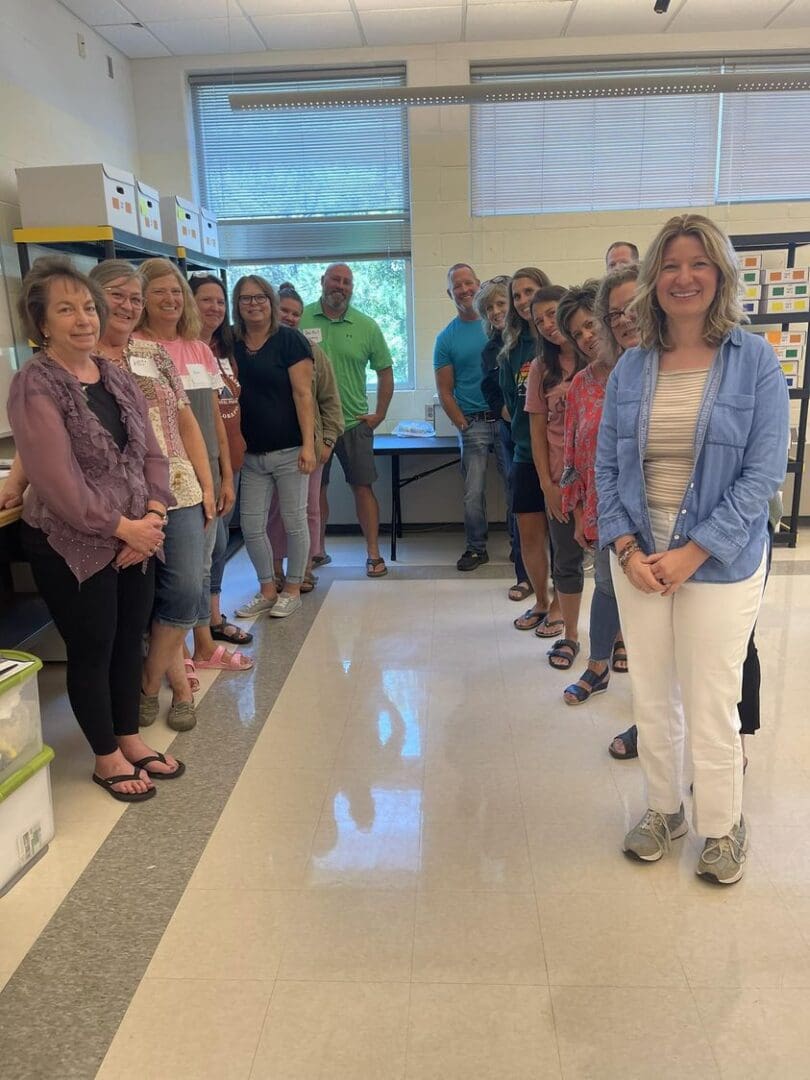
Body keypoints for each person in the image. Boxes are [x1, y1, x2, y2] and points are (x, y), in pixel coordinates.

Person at [596, 213, 789, 884]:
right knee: (650, 694)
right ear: (654, 280)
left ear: (720, 275)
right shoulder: (631, 369)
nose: (683, 277)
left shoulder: (755, 360)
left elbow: (763, 474)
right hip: (638, 558)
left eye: (698, 263)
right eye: (671, 265)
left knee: (711, 698)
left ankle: (723, 824)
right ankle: (662, 810)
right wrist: (626, 546)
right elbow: (607, 468)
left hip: (722, 563)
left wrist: (693, 553)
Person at [7, 257, 182, 801]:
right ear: (42, 324)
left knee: (130, 638)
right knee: (94, 647)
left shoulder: (116, 376)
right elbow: (57, 483)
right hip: (73, 544)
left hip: (135, 537)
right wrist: (124, 529)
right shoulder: (35, 384)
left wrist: (152, 518)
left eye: (87, 307)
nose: (83, 318)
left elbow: (152, 455)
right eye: (66, 309)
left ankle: (128, 737)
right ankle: (105, 757)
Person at [134, 260, 242, 726]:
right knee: (179, 579)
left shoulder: (199, 348)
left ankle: (180, 660)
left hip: (199, 473)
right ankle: (176, 671)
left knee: (201, 567)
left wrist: (224, 473)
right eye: (158, 292)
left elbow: (211, 418)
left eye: (176, 292)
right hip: (156, 482)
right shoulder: (135, 349)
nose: (170, 300)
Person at [558, 267, 638, 705]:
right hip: (607, 510)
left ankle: (649, 694)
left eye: (591, 323)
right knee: (606, 586)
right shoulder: (581, 386)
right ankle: (597, 665)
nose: (587, 336)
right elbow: (574, 459)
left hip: (657, 506)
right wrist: (576, 512)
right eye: (578, 332)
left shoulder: (648, 368)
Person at [299, 263, 393, 577]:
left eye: (347, 282)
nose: (341, 286)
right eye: (335, 280)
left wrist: (379, 413)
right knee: (314, 492)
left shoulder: (367, 325)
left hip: (354, 423)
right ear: (322, 281)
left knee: (362, 487)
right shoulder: (301, 318)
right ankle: (316, 551)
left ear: (352, 288)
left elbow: (385, 370)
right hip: (312, 426)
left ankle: (373, 554)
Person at [231, 275, 316, 618]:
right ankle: (267, 588)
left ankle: (293, 588)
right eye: (245, 299)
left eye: (260, 298)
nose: (253, 304)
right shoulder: (231, 343)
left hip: (289, 451)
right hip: (251, 454)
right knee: (252, 526)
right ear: (237, 305)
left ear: (271, 302)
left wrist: (308, 445)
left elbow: (303, 395)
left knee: (295, 522)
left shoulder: (290, 341)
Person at [524, 286, 588, 669]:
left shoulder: (602, 357)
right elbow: (536, 431)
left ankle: (619, 639)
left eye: (553, 314)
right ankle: (571, 635)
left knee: (616, 564)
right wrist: (547, 484)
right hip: (561, 480)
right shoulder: (541, 368)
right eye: (539, 320)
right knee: (566, 559)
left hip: (600, 478)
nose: (549, 325)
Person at [267, 282, 345, 592]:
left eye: (296, 313)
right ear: (272, 310)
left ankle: (305, 567)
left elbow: (330, 400)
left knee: (309, 508)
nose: (290, 317)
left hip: (308, 448)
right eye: (284, 310)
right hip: (270, 446)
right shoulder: (255, 350)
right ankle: (274, 569)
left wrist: (327, 441)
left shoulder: (311, 351)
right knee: (275, 512)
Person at [498, 267, 562, 635]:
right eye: (517, 295)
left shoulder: (561, 343)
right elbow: (509, 403)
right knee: (529, 532)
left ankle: (558, 604)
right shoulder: (511, 349)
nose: (523, 301)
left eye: (529, 292)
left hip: (560, 459)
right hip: (525, 452)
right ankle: (540, 599)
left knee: (561, 536)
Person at [190, 274, 251, 649]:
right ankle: (195, 626)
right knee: (198, 548)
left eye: (219, 301)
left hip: (230, 457)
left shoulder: (226, 348)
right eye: (205, 300)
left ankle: (213, 616)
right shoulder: (182, 348)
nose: (214, 308)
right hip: (198, 463)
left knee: (219, 542)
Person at [434, 263, 501, 571]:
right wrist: (462, 423)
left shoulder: (501, 325)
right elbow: (445, 391)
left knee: (517, 485)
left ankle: (521, 547)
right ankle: (476, 548)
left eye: (469, 283)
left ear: (479, 284)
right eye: (457, 286)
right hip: (472, 423)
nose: (464, 290)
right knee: (473, 493)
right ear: (450, 293)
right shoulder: (446, 339)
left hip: (506, 421)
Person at [476, 275, 532, 601]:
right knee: (518, 502)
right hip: (514, 435)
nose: (496, 311)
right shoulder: (491, 350)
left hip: (549, 435)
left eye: (501, 304)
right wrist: (513, 417)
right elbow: (492, 392)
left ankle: (557, 569)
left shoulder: (534, 339)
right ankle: (524, 574)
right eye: (489, 308)